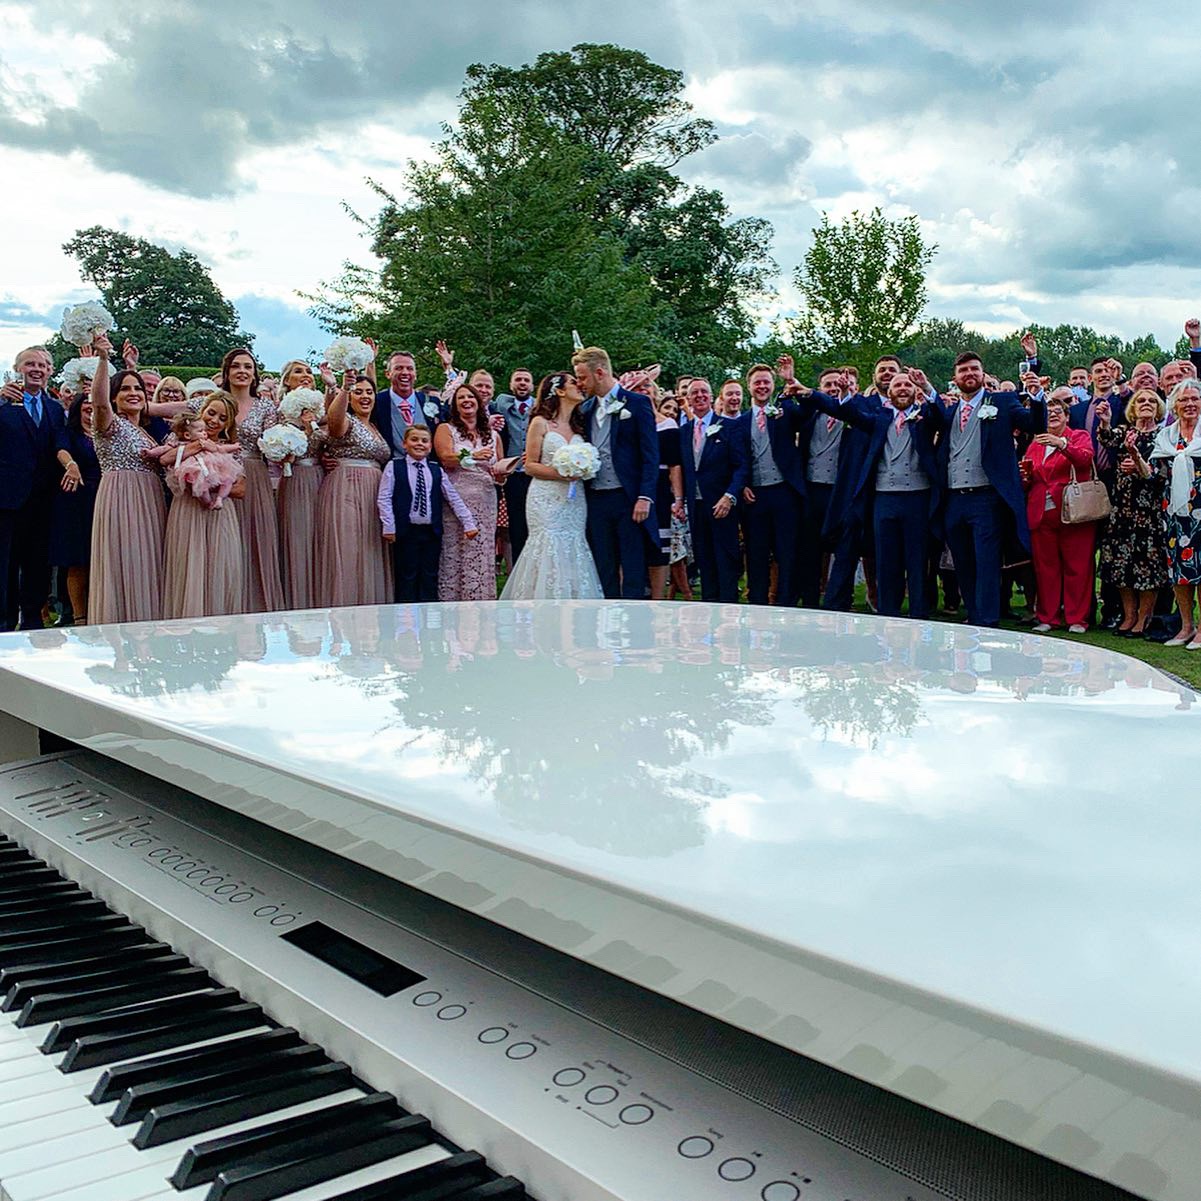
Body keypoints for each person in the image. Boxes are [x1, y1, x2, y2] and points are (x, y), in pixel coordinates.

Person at [801, 368, 943, 620]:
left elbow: (941, 415)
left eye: (907, 385)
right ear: (888, 393)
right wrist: (844, 393)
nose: (902, 388)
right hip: (884, 499)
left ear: (915, 391)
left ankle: (919, 615)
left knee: (917, 561)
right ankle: (888, 614)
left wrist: (928, 386)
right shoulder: (879, 419)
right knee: (886, 561)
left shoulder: (926, 418)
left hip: (917, 499)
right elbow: (851, 413)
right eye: (897, 386)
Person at [937, 349, 1047, 627]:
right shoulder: (949, 412)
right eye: (964, 370)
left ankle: (986, 618)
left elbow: (1034, 424)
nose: (969, 374)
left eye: (974, 369)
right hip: (954, 497)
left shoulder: (1001, 401)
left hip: (986, 497)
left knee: (986, 560)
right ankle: (972, 613)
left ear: (983, 374)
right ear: (955, 378)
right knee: (962, 561)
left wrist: (1035, 396)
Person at [85, 334, 167, 625]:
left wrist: (132, 368)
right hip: (122, 497)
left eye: (139, 389)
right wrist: (104, 360)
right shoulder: (110, 423)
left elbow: (192, 409)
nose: (133, 393)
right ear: (114, 397)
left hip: (150, 499)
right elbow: (98, 402)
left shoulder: (147, 430)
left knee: (149, 562)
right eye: (125, 390)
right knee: (127, 559)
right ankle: (123, 631)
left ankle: (148, 628)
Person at [500, 373, 603, 600]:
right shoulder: (540, 422)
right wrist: (563, 473)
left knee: (574, 542)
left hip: (574, 500)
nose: (580, 386)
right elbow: (530, 466)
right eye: (574, 383)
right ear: (560, 391)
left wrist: (584, 469)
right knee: (547, 545)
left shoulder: (580, 425)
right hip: (545, 497)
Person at [574, 345, 658, 599]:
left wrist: (645, 496)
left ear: (599, 373)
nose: (579, 383)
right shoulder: (585, 410)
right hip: (596, 499)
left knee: (633, 565)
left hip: (628, 497)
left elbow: (651, 455)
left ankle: (635, 627)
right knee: (603, 565)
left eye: (582, 377)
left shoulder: (637, 404)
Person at [158, 394, 244, 619]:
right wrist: (197, 446)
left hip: (219, 512)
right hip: (187, 509)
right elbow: (164, 460)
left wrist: (209, 485)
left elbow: (241, 489)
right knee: (188, 565)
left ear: (228, 424)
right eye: (211, 413)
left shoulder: (227, 449)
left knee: (219, 565)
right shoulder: (180, 440)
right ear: (202, 412)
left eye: (222, 418)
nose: (215, 420)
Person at [0, 345, 65, 630]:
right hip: (7, 501)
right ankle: (3, 621)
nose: (37, 369)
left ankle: (31, 620)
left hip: (43, 502)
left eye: (43, 365)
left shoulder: (54, 409)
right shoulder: (3, 404)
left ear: (51, 371)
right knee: (5, 565)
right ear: (18, 369)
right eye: (30, 364)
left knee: (38, 565)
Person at [315, 371, 393, 607]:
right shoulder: (347, 422)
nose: (365, 396)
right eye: (359, 392)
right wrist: (345, 388)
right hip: (346, 489)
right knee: (349, 550)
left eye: (369, 392)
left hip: (374, 492)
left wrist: (369, 364)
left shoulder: (377, 428)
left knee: (369, 551)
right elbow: (335, 421)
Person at [1021, 394, 1097, 632]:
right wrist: (1024, 476)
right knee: (1046, 568)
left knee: (1078, 566)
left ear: (1067, 417)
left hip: (1073, 511)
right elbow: (1032, 479)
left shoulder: (1078, 437)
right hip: (1041, 513)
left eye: (1058, 412)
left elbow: (1085, 459)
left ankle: (1077, 618)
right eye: (1048, 412)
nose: (1052, 415)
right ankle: (1048, 617)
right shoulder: (1035, 443)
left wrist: (1062, 444)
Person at [733, 363, 806, 607]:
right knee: (756, 554)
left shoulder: (784, 412)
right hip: (754, 497)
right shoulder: (740, 422)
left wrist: (791, 382)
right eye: (757, 382)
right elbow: (736, 460)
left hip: (784, 492)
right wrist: (741, 486)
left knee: (788, 554)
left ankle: (787, 604)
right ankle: (757, 605)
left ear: (773, 385)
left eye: (766, 382)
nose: (762, 386)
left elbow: (805, 416)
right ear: (749, 386)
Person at [1097, 389, 1170, 637]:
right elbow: (1107, 438)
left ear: (1159, 407)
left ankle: (1143, 617)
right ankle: (1128, 615)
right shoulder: (1125, 431)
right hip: (1121, 510)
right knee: (1121, 564)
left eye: (1151, 400)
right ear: (1133, 407)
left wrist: (1138, 463)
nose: (1146, 404)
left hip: (1148, 511)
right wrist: (1105, 420)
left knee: (1146, 565)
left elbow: (1159, 475)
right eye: (1141, 400)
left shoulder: (1163, 436)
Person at [218, 348, 285, 613]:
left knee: (256, 538)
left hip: (254, 475)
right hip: (221, 475)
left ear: (255, 374)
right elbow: (156, 408)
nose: (242, 371)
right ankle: (226, 601)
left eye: (248, 366)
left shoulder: (266, 406)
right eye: (236, 366)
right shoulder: (213, 401)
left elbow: (272, 441)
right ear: (227, 371)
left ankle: (256, 603)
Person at [379, 424, 478, 602]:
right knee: (407, 574)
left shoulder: (435, 470)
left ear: (430, 446)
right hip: (405, 531)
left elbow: (453, 498)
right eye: (414, 439)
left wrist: (468, 523)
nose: (419, 444)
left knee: (430, 574)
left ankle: (429, 619)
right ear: (404, 444)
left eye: (424, 441)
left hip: (431, 532)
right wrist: (389, 526)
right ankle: (405, 621)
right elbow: (384, 497)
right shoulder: (394, 467)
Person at [675, 378, 746, 603]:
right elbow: (682, 468)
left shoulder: (729, 427)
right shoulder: (684, 431)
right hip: (696, 506)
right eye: (694, 392)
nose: (699, 396)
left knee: (725, 559)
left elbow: (741, 466)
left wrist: (730, 496)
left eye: (704, 392)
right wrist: (680, 501)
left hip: (721, 504)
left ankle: (729, 610)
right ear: (688, 399)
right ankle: (708, 609)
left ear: (712, 396)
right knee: (704, 560)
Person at [434, 383, 505, 600]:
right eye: (461, 398)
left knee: (482, 549)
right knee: (455, 549)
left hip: (486, 497)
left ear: (479, 402)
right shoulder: (446, 429)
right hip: (457, 496)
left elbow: (499, 468)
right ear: (455, 405)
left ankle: (481, 598)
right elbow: (445, 458)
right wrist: (473, 456)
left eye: (470, 397)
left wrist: (502, 472)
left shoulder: (493, 436)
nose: (466, 400)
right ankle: (452, 600)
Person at [1150, 379, 1201, 648]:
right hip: (1175, 514)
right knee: (1180, 571)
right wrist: (1136, 458)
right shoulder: (1166, 436)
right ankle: (1186, 627)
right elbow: (1156, 474)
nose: (1189, 404)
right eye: (1184, 400)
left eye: (1194, 398)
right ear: (1174, 405)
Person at [50, 393, 101, 625]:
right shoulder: (69, 433)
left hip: (105, 498)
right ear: (78, 411)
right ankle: (79, 617)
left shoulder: (108, 433)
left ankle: (100, 611)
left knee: (101, 559)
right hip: (77, 500)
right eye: (86, 409)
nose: (91, 413)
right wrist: (71, 465)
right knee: (77, 559)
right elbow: (61, 450)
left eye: (95, 409)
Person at [491, 367, 536, 564]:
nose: (522, 383)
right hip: (513, 476)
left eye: (526, 380)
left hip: (536, 474)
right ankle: (519, 568)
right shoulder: (501, 404)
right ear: (511, 385)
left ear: (532, 385)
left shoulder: (540, 408)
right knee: (516, 526)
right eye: (518, 379)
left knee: (536, 523)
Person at [649, 393, 685, 601]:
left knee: (660, 546)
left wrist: (677, 499)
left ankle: (657, 599)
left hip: (660, 489)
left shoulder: (668, 425)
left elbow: (674, 465)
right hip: (630, 488)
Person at [372, 350, 440, 457]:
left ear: (415, 374)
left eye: (410, 369)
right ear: (388, 374)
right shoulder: (377, 402)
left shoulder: (431, 402)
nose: (405, 373)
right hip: (390, 469)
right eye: (399, 368)